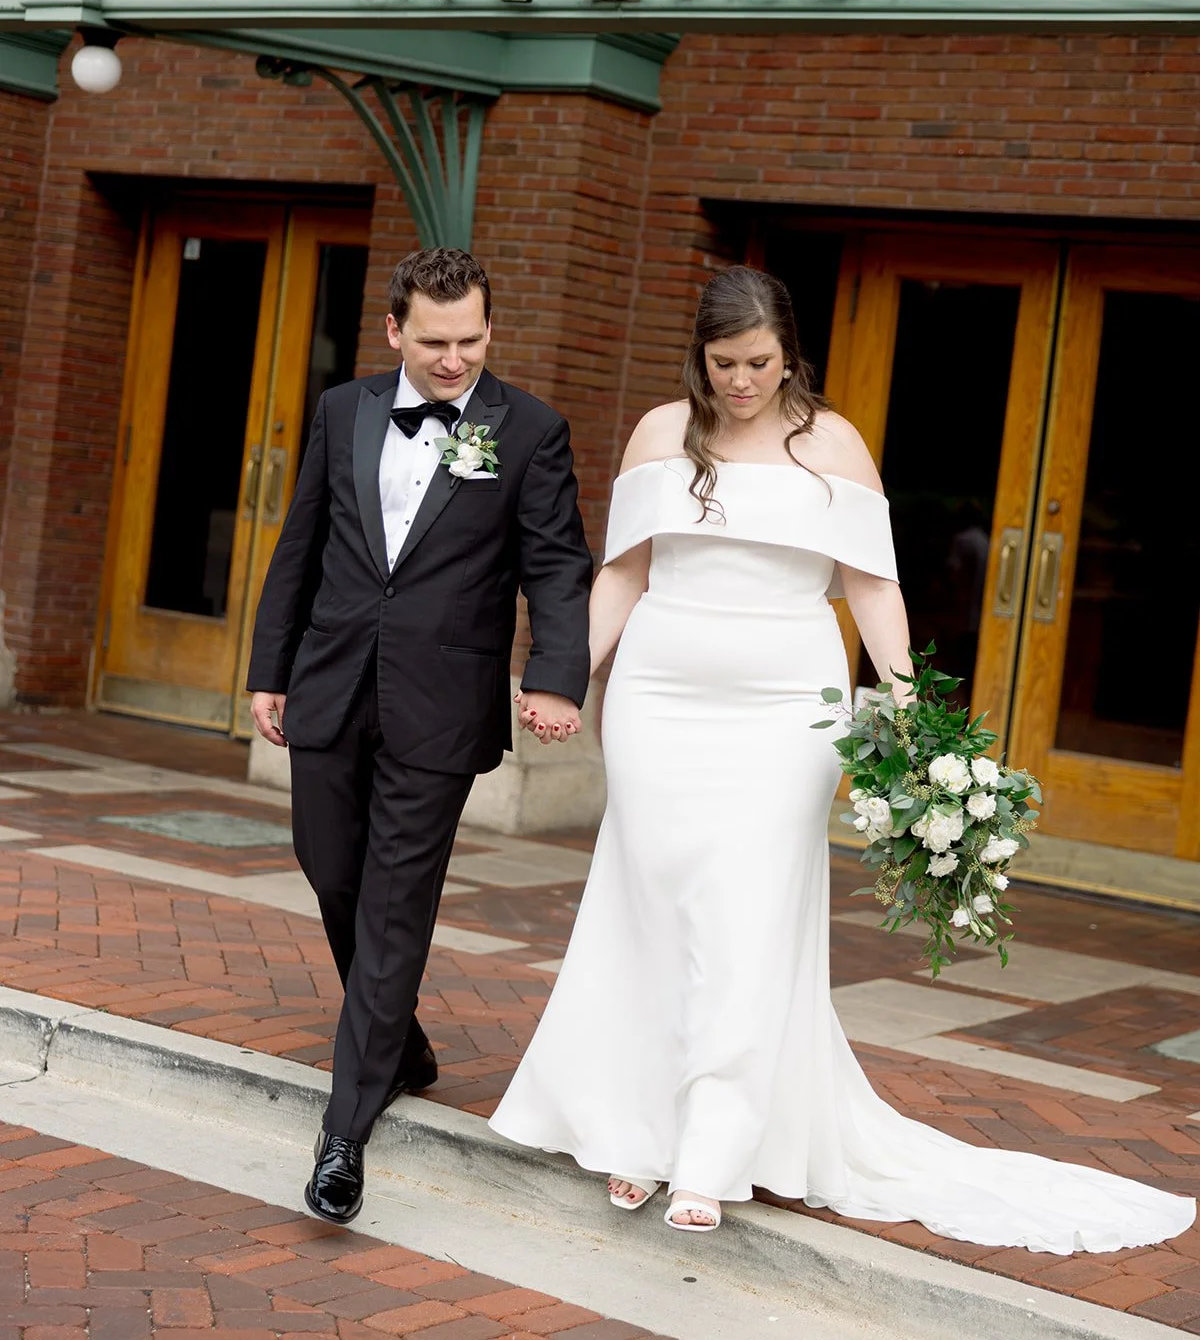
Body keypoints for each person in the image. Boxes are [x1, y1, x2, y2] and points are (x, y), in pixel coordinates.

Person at [490, 265, 1195, 1252]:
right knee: (649, 903)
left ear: (791, 357)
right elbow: (624, 572)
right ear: (700, 356)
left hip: (789, 707)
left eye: (760, 364)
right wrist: (564, 673)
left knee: (746, 909)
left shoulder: (833, 444)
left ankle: (715, 1148)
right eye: (724, 363)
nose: (741, 381)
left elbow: (873, 587)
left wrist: (905, 709)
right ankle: (632, 1128)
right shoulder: (661, 435)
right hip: (659, 699)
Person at [248, 246, 592, 1226]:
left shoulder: (528, 430)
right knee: (332, 867)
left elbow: (556, 565)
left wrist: (557, 677)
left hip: (441, 702)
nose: (454, 361)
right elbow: (301, 542)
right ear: (395, 330)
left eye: (472, 341)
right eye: (435, 342)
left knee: (396, 908)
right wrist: (271, 667)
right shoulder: (340, 409)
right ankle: (397, 1042)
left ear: (491, 329)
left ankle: (345, 1135)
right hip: (329, 680)